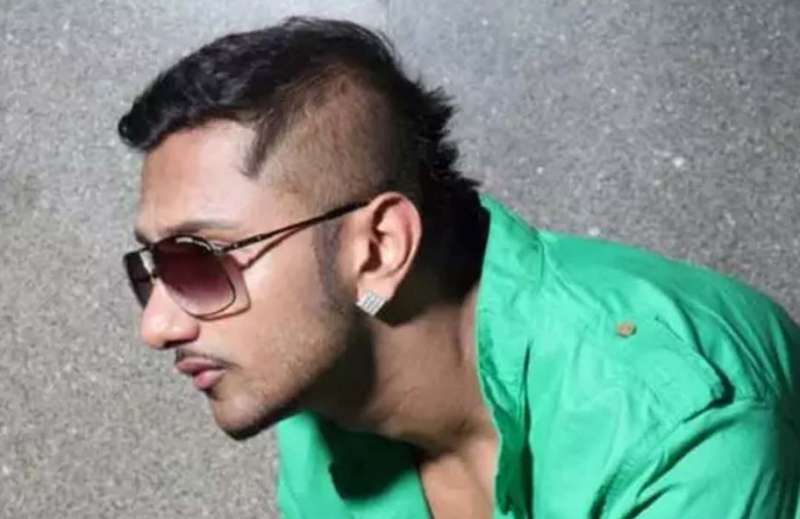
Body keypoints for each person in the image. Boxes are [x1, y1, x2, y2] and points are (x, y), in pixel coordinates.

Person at [118, 16, 800, 519]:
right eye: (153, 269)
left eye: (197, 260)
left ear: (378, 250)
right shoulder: (316, 406)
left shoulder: (674, 427)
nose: (156, 326)